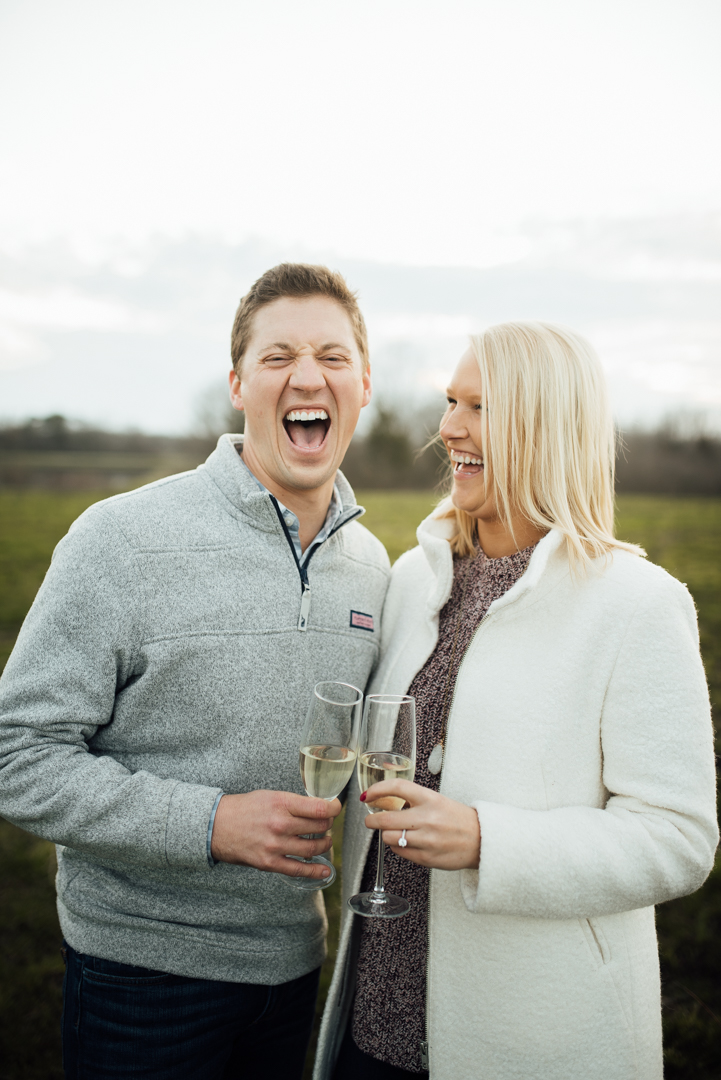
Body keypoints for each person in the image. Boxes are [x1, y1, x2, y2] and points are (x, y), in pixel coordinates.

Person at [0, 263, 391, 1080]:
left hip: (295, 969)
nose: (307, 376)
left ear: (363, 385)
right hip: (139, 980)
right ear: (238, 384)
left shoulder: (371, 567)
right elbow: (18, 755)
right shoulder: (120, 540)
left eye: (331, 355)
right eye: (278, 356)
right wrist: (210, 824)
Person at [315, 321, 718, 1080]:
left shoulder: (637, 605)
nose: (447, 428)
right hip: (371, 1034)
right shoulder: (412, 579)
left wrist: (485, 841)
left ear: (546, 426)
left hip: (534, 1043)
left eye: (479, 406)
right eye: (449, 401)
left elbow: (676, 839)